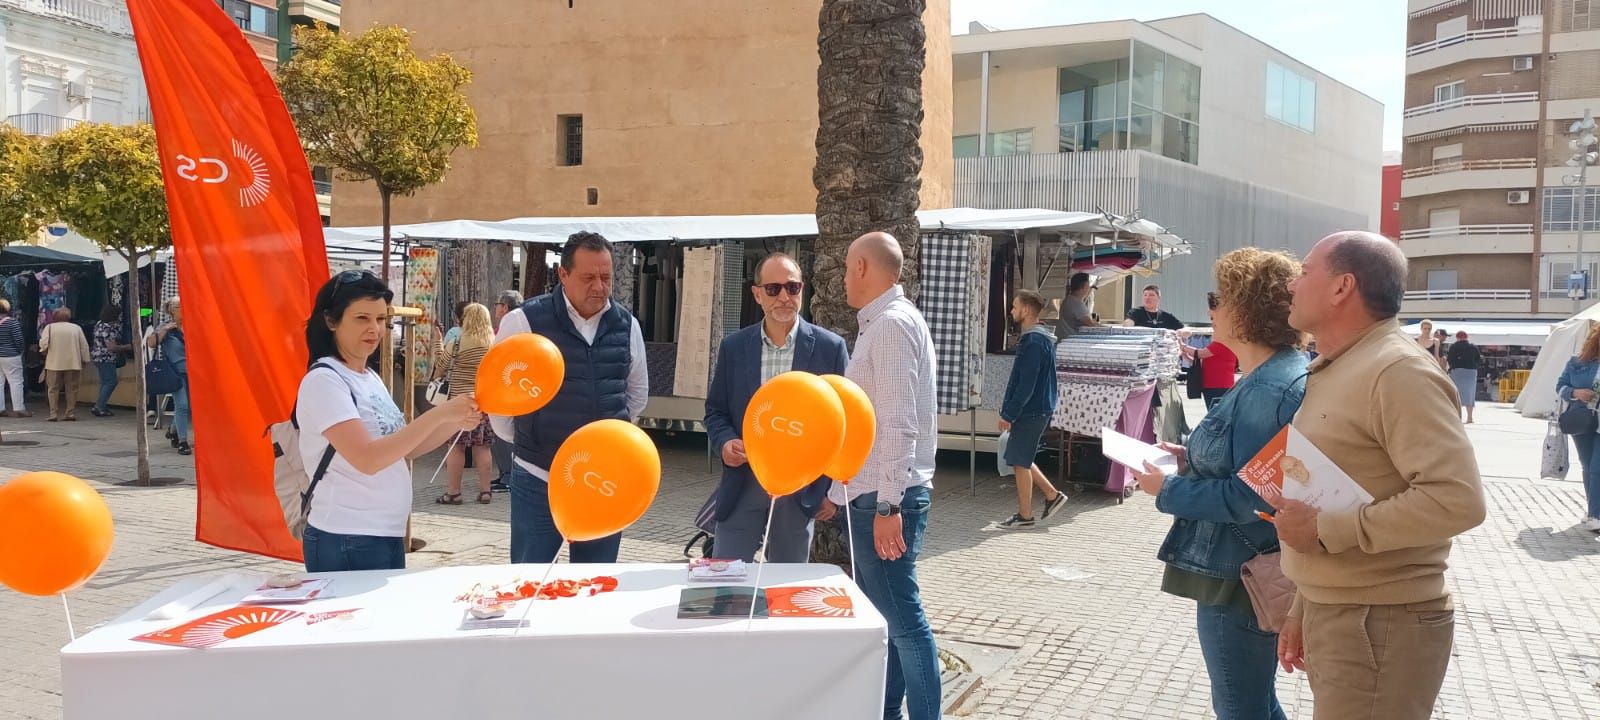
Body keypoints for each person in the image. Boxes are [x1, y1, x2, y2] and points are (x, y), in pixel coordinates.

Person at [1275, 231, 1486, 720]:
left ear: (1341, 287)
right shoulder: (1346, 364)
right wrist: (1305, 604)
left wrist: (1324, 532)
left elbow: (1456, 500)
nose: (1291, 284)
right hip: (1349, 614)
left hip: (1379, 622)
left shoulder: (1397, 370)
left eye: (1305, 272)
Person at [1132, 248, 1307, 720]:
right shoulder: (1269, 377)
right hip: (1245, 568)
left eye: (1219, 296)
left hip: (1241, 576)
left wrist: (1165, 490)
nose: (1211, 308)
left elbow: (1253, 496)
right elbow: (1253, 469)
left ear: (1246, 309)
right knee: (1256, 703)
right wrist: (1189, 459)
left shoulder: (1270, 387)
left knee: (1240, 707)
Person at [818, 231, 941, 720]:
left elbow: (895, 422)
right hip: (876, 493)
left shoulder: (890, 325)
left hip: (889, 496)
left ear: (864, 269)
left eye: (848, 269)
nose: (845, 279)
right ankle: (887, 711)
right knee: (890, 621)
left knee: (904, 622)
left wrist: (888, 505)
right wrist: (837, 491)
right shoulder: (885, 323)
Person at [296, 270, 480, 573]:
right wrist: (441, 413)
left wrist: (459, 420)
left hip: (384, 533)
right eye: (362, 318)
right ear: (331, 321)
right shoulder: (324, 381)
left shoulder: (368, 377)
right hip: (347, 536)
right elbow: (368, 458)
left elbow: (406, 449)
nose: (374, 329)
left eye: (381, 320)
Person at [491, 231, 648, 565]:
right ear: (563, 274)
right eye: (588, 277)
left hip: (603, 480)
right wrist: (525, 438)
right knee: (529, 579)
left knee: (595, 583)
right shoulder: (524, 322)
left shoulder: (627, 325)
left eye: (606, 277)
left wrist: (607, 439)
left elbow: (635, 395)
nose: (599, 287)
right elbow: (500, 400)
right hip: (539, 477)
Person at [703, 252, 849, 562]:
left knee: (786, 589)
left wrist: (832, 491)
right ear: (756, 294)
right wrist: (726, 441)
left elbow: (844, 423)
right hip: (743, 484)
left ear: (802, 289)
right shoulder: (735, 347)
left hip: (800, 491)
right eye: (773, 289)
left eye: (792, 288)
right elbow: (716, 411)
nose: (784, 296)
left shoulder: (830, 348)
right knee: (727, 582)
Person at [995, 289, 1066, 529]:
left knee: (1020, 461)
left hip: (1032, 409)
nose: (1012, 311)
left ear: (1025, 310)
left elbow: (1026, 382)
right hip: (1038, 407)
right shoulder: (1041, 338)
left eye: (1014, 306)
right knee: (1020, 458)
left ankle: (1026, 515)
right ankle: (1051, 496)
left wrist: (1009, 413)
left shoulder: (1033, 341)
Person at [434, 303, 498, 505]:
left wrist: (437, 342)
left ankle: (454, 493)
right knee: (483, 447)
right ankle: (486, 491)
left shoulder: (457, 342)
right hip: (483, 403)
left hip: (458, 403)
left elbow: (440, 369)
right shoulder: (494, 344)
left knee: (456, 447)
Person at [1556, 323, 1600, 531]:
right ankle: (1593, 508)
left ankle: (1595, 515)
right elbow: (1560, 386)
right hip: (1581, 418)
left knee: (1597, 467)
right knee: (1587, 464)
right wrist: (1575, 393)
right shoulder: (1576, 362)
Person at [147, 299, 194, 454]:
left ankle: (173, 431)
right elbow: (151, 343)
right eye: (179, 307)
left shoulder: (192, 324)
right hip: (175, 373)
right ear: (172, 311)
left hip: (192, 372)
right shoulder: (166, 327)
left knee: (187, 407)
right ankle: (182, 442)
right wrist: (165, 330)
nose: (182, 309)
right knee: (182, 406)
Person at [488, 290, 523, 493]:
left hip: (509, 387)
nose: (496, 309)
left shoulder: (512, 327)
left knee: (506, 434)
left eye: (497, 304)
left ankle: (509, 475)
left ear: (505, 307)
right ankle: (506, 474)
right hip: (513, 387)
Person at [39, 307, 90, 423]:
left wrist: (43, 351)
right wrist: (85, 360)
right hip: (73, 363)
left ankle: (53, 413)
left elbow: (44, 343)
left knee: (52, 389)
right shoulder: (76, 328)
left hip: (54, 362)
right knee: (72, 388)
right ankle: (70, 413)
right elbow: (84, 346)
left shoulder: (50, 328)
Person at [1194, 293, 1239, 409]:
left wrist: (1182, 346)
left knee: (1215, 415)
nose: (1212, 323)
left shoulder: (1224, 340)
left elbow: (1200, 353)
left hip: (1218, 383)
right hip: (1214, 383)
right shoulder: (1223, 339)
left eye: (1213, 318)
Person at [90, 306, 130, 417]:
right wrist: (128, 346)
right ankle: (99, 406)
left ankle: (100, 405)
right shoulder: (109, 328)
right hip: (106, 358)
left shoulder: (99, 324)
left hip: (98, 356)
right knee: (111, 381)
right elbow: (111, 347)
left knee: (105, 381)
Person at [0, 298, 27, 418]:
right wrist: (20, 350)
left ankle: (1, 409)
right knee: (16, 381)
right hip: (11, 356)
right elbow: (18, 340)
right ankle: (19, 409)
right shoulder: (12, 322)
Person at [1447, 330, 1481, 424]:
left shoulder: (1453, 347)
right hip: (1471, 372)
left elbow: (1449, 359)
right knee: (1470, 394)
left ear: (1457, 337)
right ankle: (1470, 417)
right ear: (1467, 337)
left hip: (1457, 371)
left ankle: (1457, 417)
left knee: (1457, 394)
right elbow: (1478, 359)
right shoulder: (1473, 347)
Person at [1054, 272, 1102, 338]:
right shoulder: (1075, 303)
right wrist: (1110, 329)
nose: (1089, 289)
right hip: (1070, 341)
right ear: (1084, 287)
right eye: (1088, 286)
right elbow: (1091, 324)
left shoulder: (1070, 300)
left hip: (1066, 339)